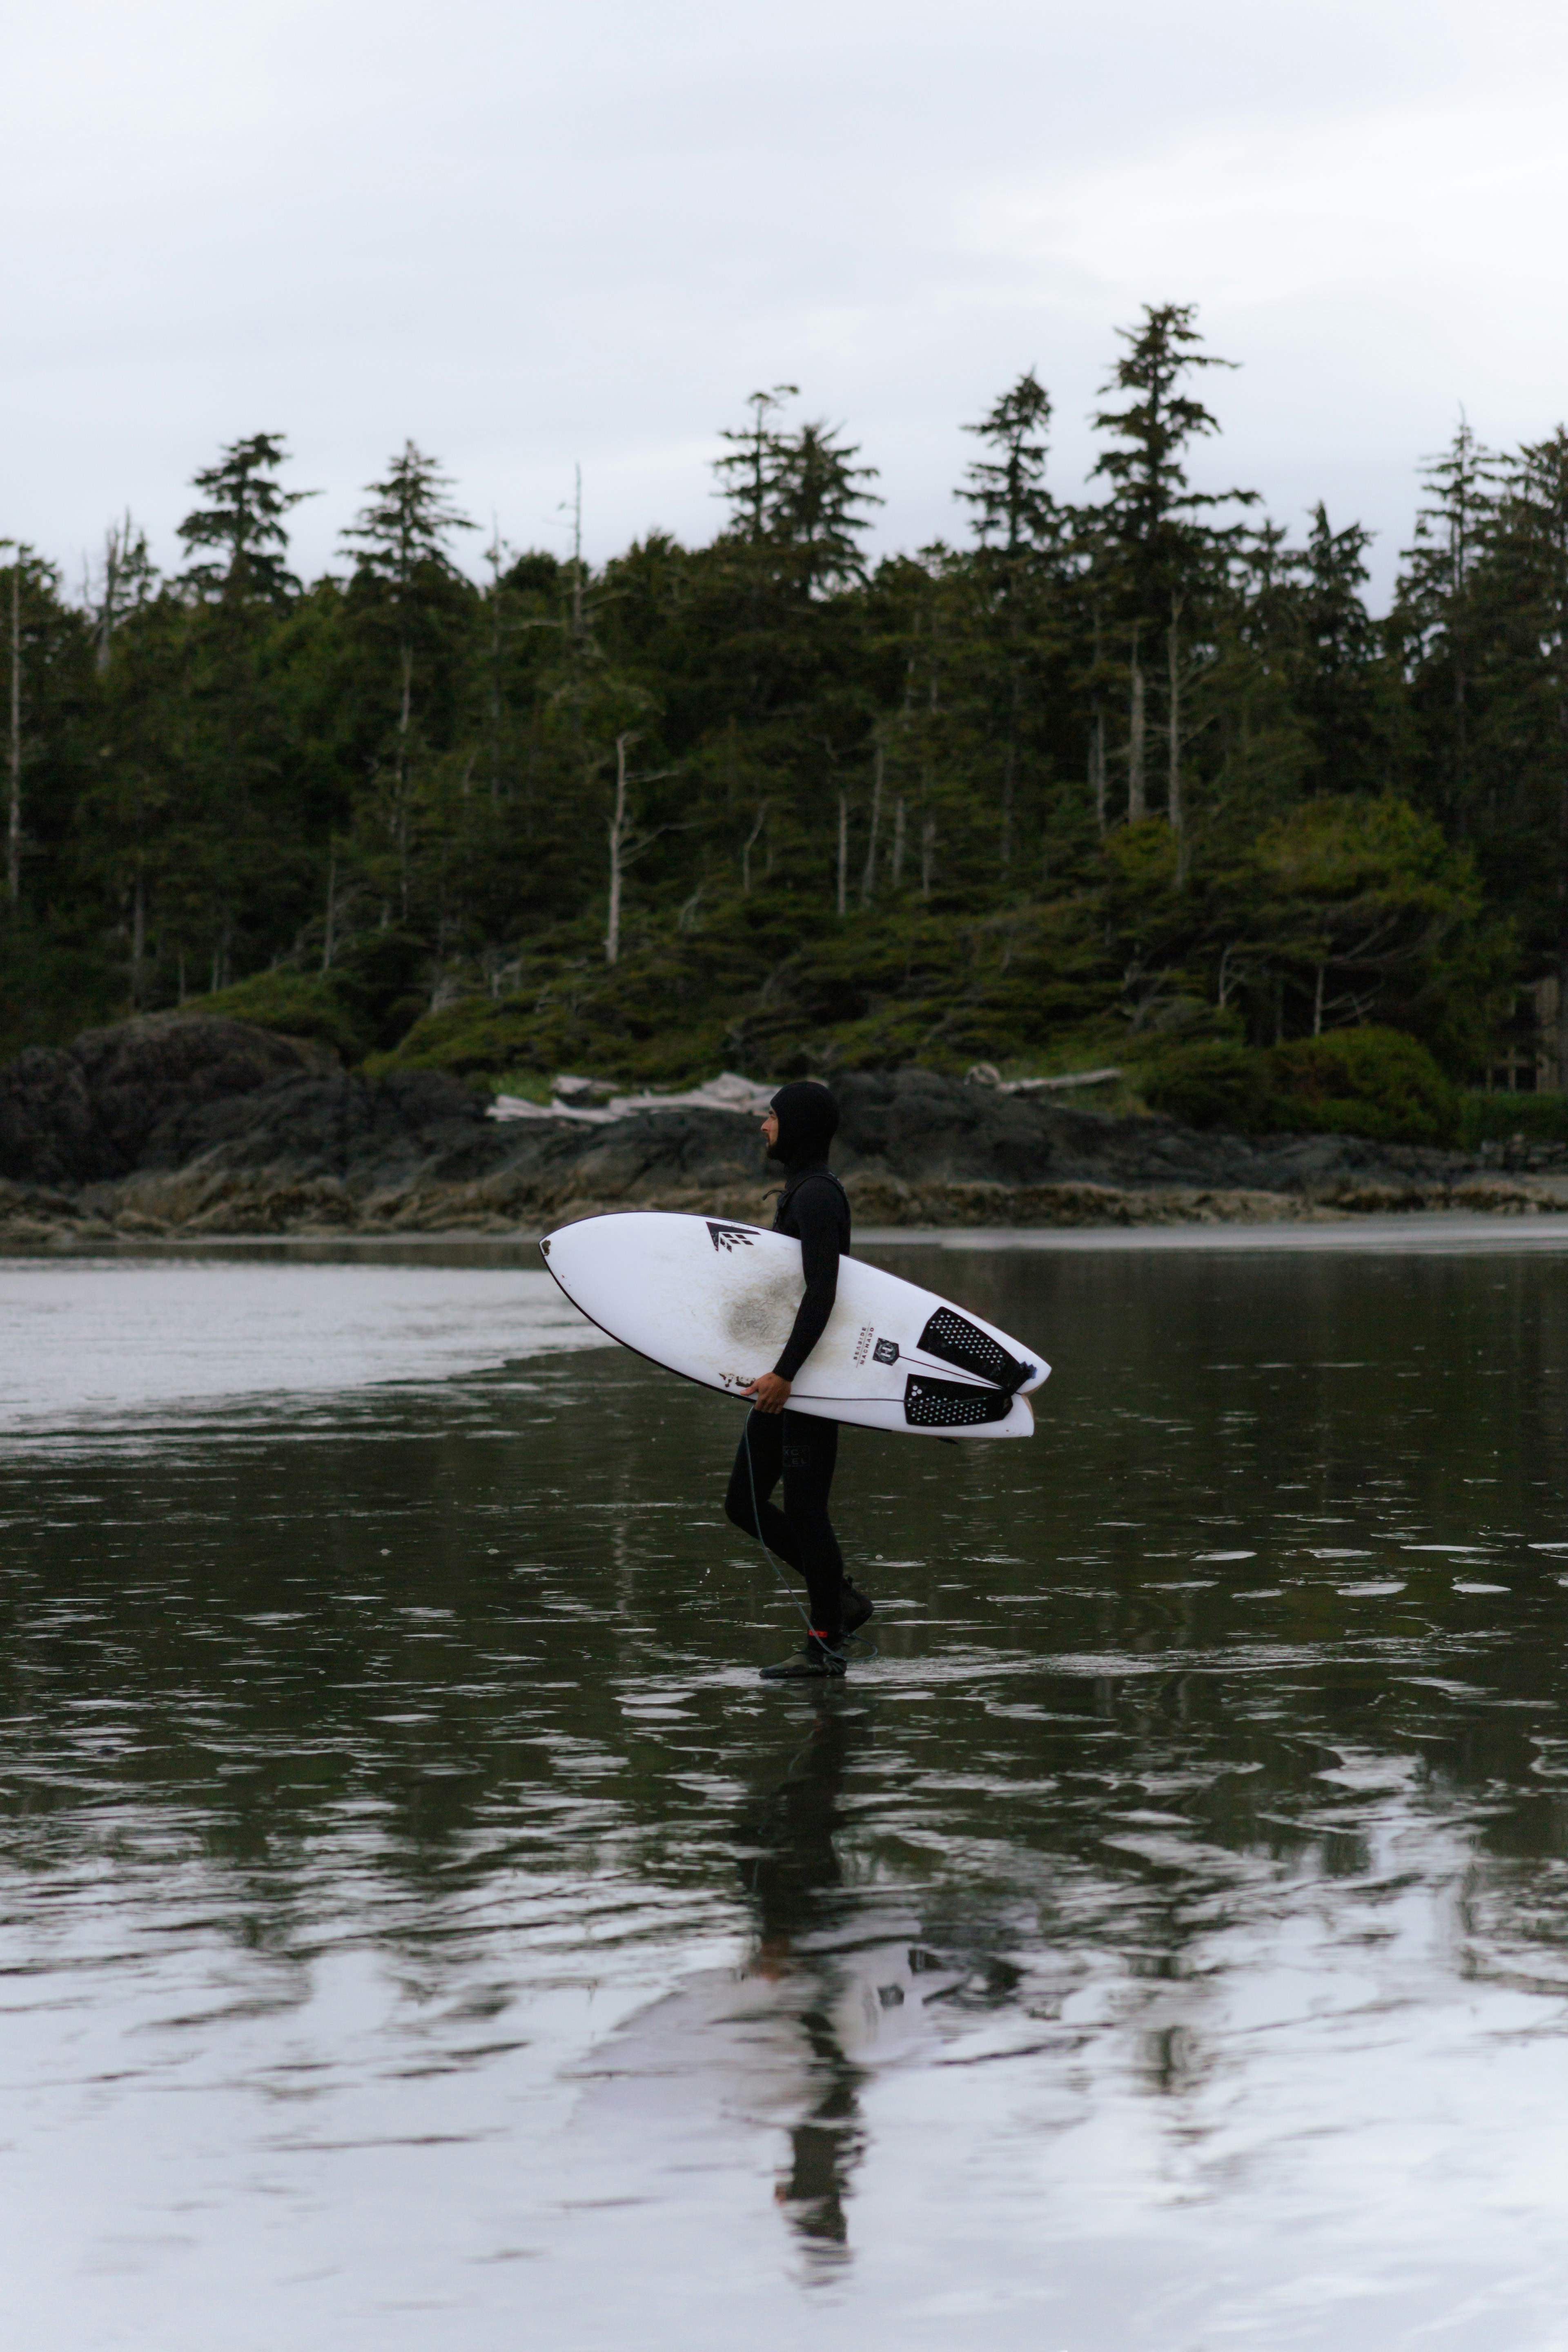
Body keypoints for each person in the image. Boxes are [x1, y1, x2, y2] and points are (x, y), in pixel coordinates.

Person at [724, 1080, 873, 1680]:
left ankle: (825, 1644)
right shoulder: (801, 1192)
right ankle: (840, 1600)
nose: (763, 1126)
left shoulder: (816, 1197)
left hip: (806, 1381)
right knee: (744, 1503)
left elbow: (824, 1292)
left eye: (772, 1116)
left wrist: (786, 1375)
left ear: (799, 1127)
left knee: (807, 1511)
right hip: (786, 1378)